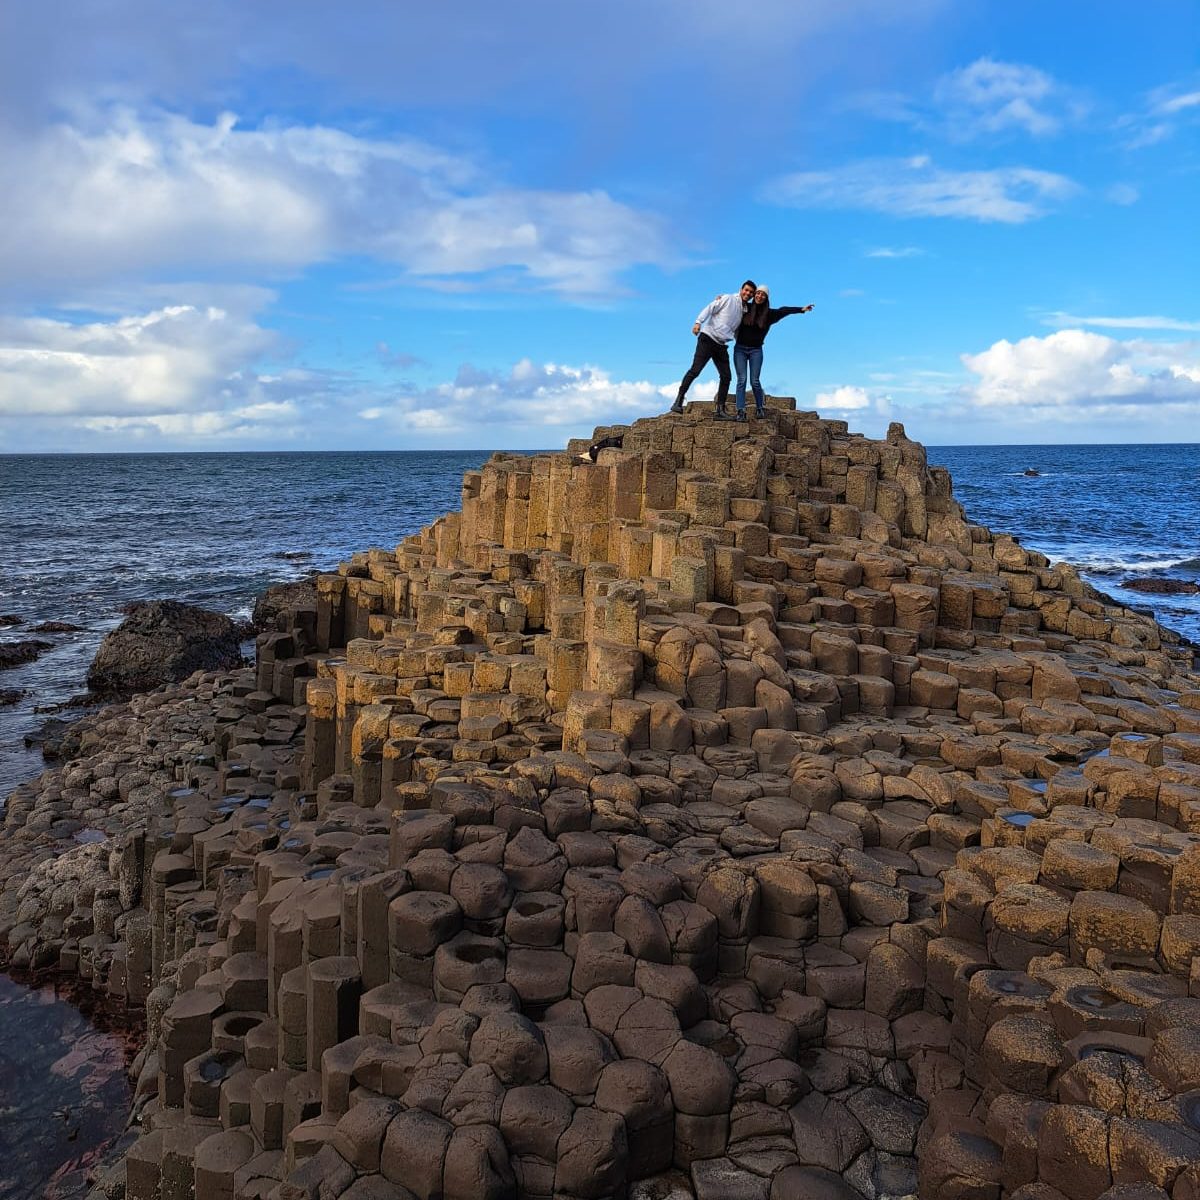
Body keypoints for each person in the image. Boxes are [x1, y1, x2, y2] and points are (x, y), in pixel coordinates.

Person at [669, 280, 756, 420]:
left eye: (751, 292)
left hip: (721, 345)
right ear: (741, 289)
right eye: (746, 290)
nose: (748, 293)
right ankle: (678, 401)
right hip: (708, 338)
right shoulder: (728, 298)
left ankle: (720, 410)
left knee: (726, 376)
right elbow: (711, 308)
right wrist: (698, 322)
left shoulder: (745, 310)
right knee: (695, 370)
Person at [733, 286, 813, 420]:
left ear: (766, 298)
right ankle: (741, 411)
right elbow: (732, 304)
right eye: (757, 293)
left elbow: (784, 310)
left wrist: (801, 309)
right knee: (742, 380)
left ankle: (760, 408)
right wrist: (720, 299)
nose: (759, 296)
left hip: (756, 350)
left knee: (755, 381)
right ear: (754, 295)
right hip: (740, 349)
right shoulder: (745, 308)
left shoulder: (769, 314)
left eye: (763, 294)